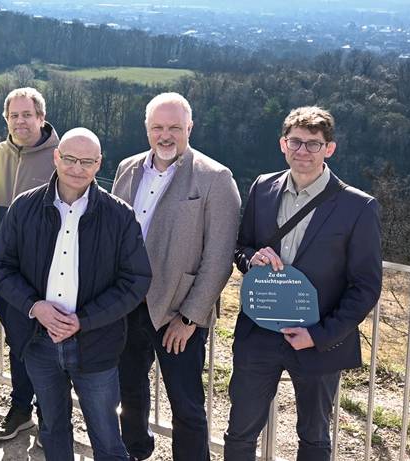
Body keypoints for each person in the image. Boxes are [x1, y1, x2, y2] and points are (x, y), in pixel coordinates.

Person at [224, 106, 382, 460]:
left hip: (317, 338)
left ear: (330, 149)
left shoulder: (358, 206)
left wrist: (320, 334)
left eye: (313, 144)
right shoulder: (263, 187)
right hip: (259, 332)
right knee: (239, 433)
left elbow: (366, 286)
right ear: (283, 144)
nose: (303, 151)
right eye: (295, 142)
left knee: (313, 437)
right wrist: (252, 259)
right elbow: (241, 247)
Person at [0, 128, 152, 460]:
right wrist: (34, 307)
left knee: (106, 435)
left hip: (96, 344)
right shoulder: (25, 207)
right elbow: (0, 265)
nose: (77, 169)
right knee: (51, 428)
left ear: (99, 163)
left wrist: (84, 320)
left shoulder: (119, 215)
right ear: (56, 157)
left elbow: (136, 280)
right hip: (39, 342)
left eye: (87, 162)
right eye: (70, 159)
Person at [111, 93, 241, 461]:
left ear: (189, 128)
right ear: (147, 129)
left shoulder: (215, 178)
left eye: (174, 128)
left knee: (185, 405)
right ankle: (136, 450)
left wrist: (189, 318)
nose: (165, 135)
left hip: (177, 313)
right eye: (157, 127)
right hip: (127, 305)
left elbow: (218, 259)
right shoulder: (128, 168)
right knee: (129, 390)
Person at [0, 87, 60, 440]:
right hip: (6, 273)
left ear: (41, 118)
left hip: (50, 273)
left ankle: (51, 416)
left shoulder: (60, 158)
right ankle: (21, 408)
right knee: (18, 342)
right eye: (13, 115)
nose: (20, 121)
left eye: (27, 115)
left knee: (49, 346)